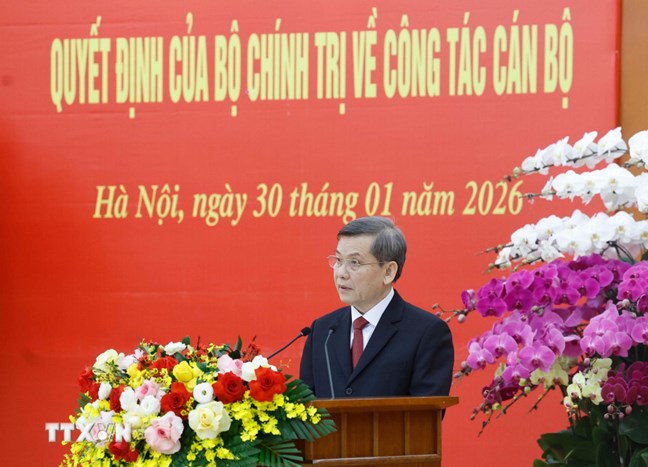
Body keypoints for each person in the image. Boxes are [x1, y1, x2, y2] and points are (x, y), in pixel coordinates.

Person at [300, 216, 454, 398]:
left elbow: (426, 413)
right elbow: (305, 407)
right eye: (339, 260)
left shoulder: (426, 333)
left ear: (388, 272)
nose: (341, 273)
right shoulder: (322, 331)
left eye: (354, 262)